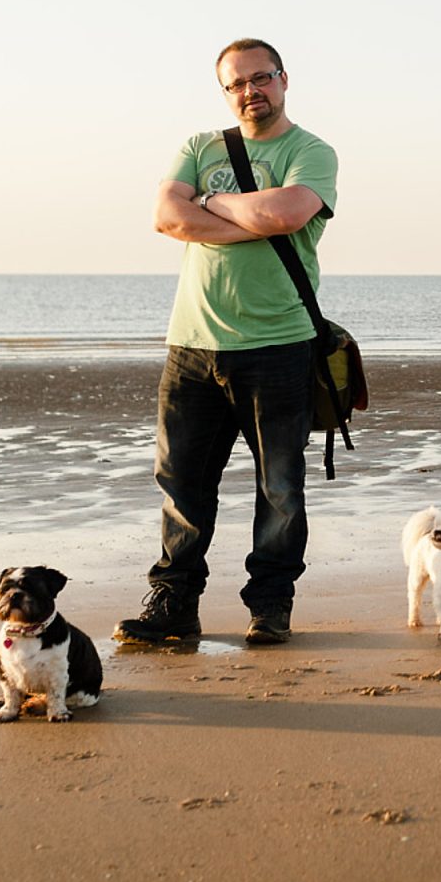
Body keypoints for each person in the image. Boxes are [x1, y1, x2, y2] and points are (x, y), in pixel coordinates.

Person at [113, 39, 338, 647]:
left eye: (260, 78)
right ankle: (174, 605)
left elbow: (287, 214)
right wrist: (247, 215)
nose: (249, 91)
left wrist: (207, 201)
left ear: (284, 79)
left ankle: (270, 608)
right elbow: (167, 217)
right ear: (225, 91)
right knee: (182, 484)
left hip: (279, 344)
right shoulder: (198, 146)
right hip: (192, 344)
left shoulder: (310, 151)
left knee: (281, 488)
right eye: (236, 83)